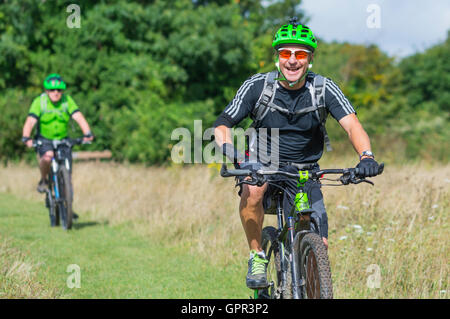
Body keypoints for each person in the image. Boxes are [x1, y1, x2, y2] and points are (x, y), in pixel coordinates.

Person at [213, 18, 380, 289]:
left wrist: (366, 156)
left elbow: (352, 125)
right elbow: (222, 125)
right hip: (262, 164)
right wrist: (236, 157)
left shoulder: (324, 88)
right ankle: (257, 255)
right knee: (253, 188)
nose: (292, 60)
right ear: (277, 57)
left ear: (310, 58)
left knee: (320, 245)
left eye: (300, 54)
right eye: (285, 53)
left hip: (305, 169)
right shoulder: (258, 86)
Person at [21, 73, 94, 193]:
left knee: (67, 168)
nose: (56, 92)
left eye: (59, 90)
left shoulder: (67, 101)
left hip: (63, 139)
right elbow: (30, 121)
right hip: (45, 139)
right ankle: (44, 180)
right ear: (46, 91)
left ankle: (66, 202)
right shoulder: (40, 102)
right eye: (52, 90)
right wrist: (26, 137)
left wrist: (88, 133)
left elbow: (79, 117)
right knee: (47, 157)